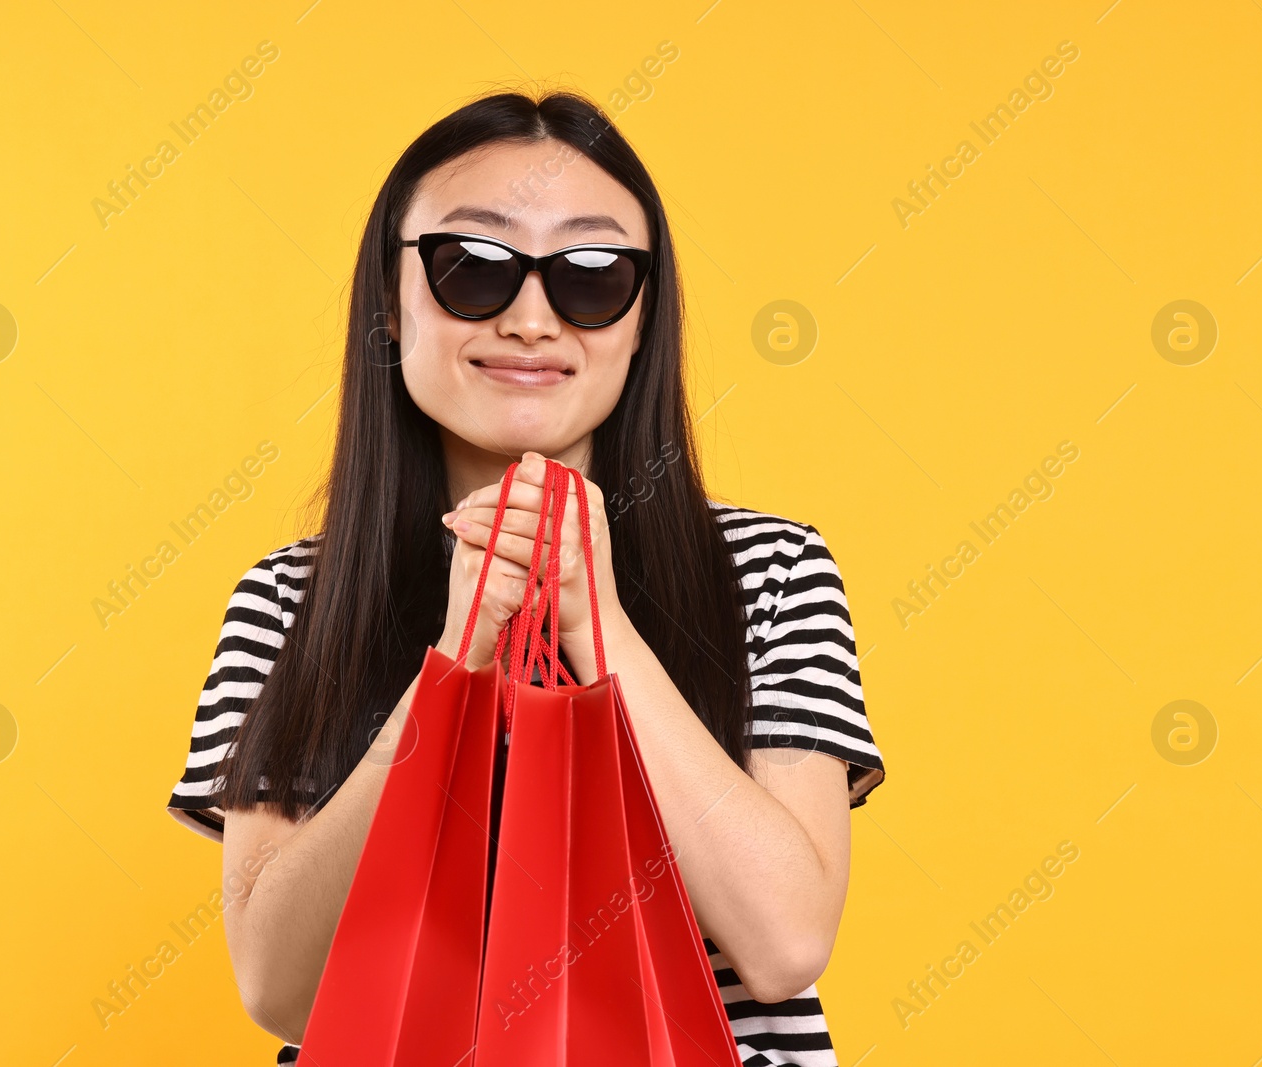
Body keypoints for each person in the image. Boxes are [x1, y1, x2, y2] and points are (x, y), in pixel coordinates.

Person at [165, 88, 885, 1066]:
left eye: (592, 274)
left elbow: (783, 942)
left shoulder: (768, 571)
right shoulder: (295, 600)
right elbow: (282, 988)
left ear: (641, 320)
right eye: (474, 267)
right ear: (389, 300)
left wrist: (601, 628)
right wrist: (455, 663)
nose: (533, 319)